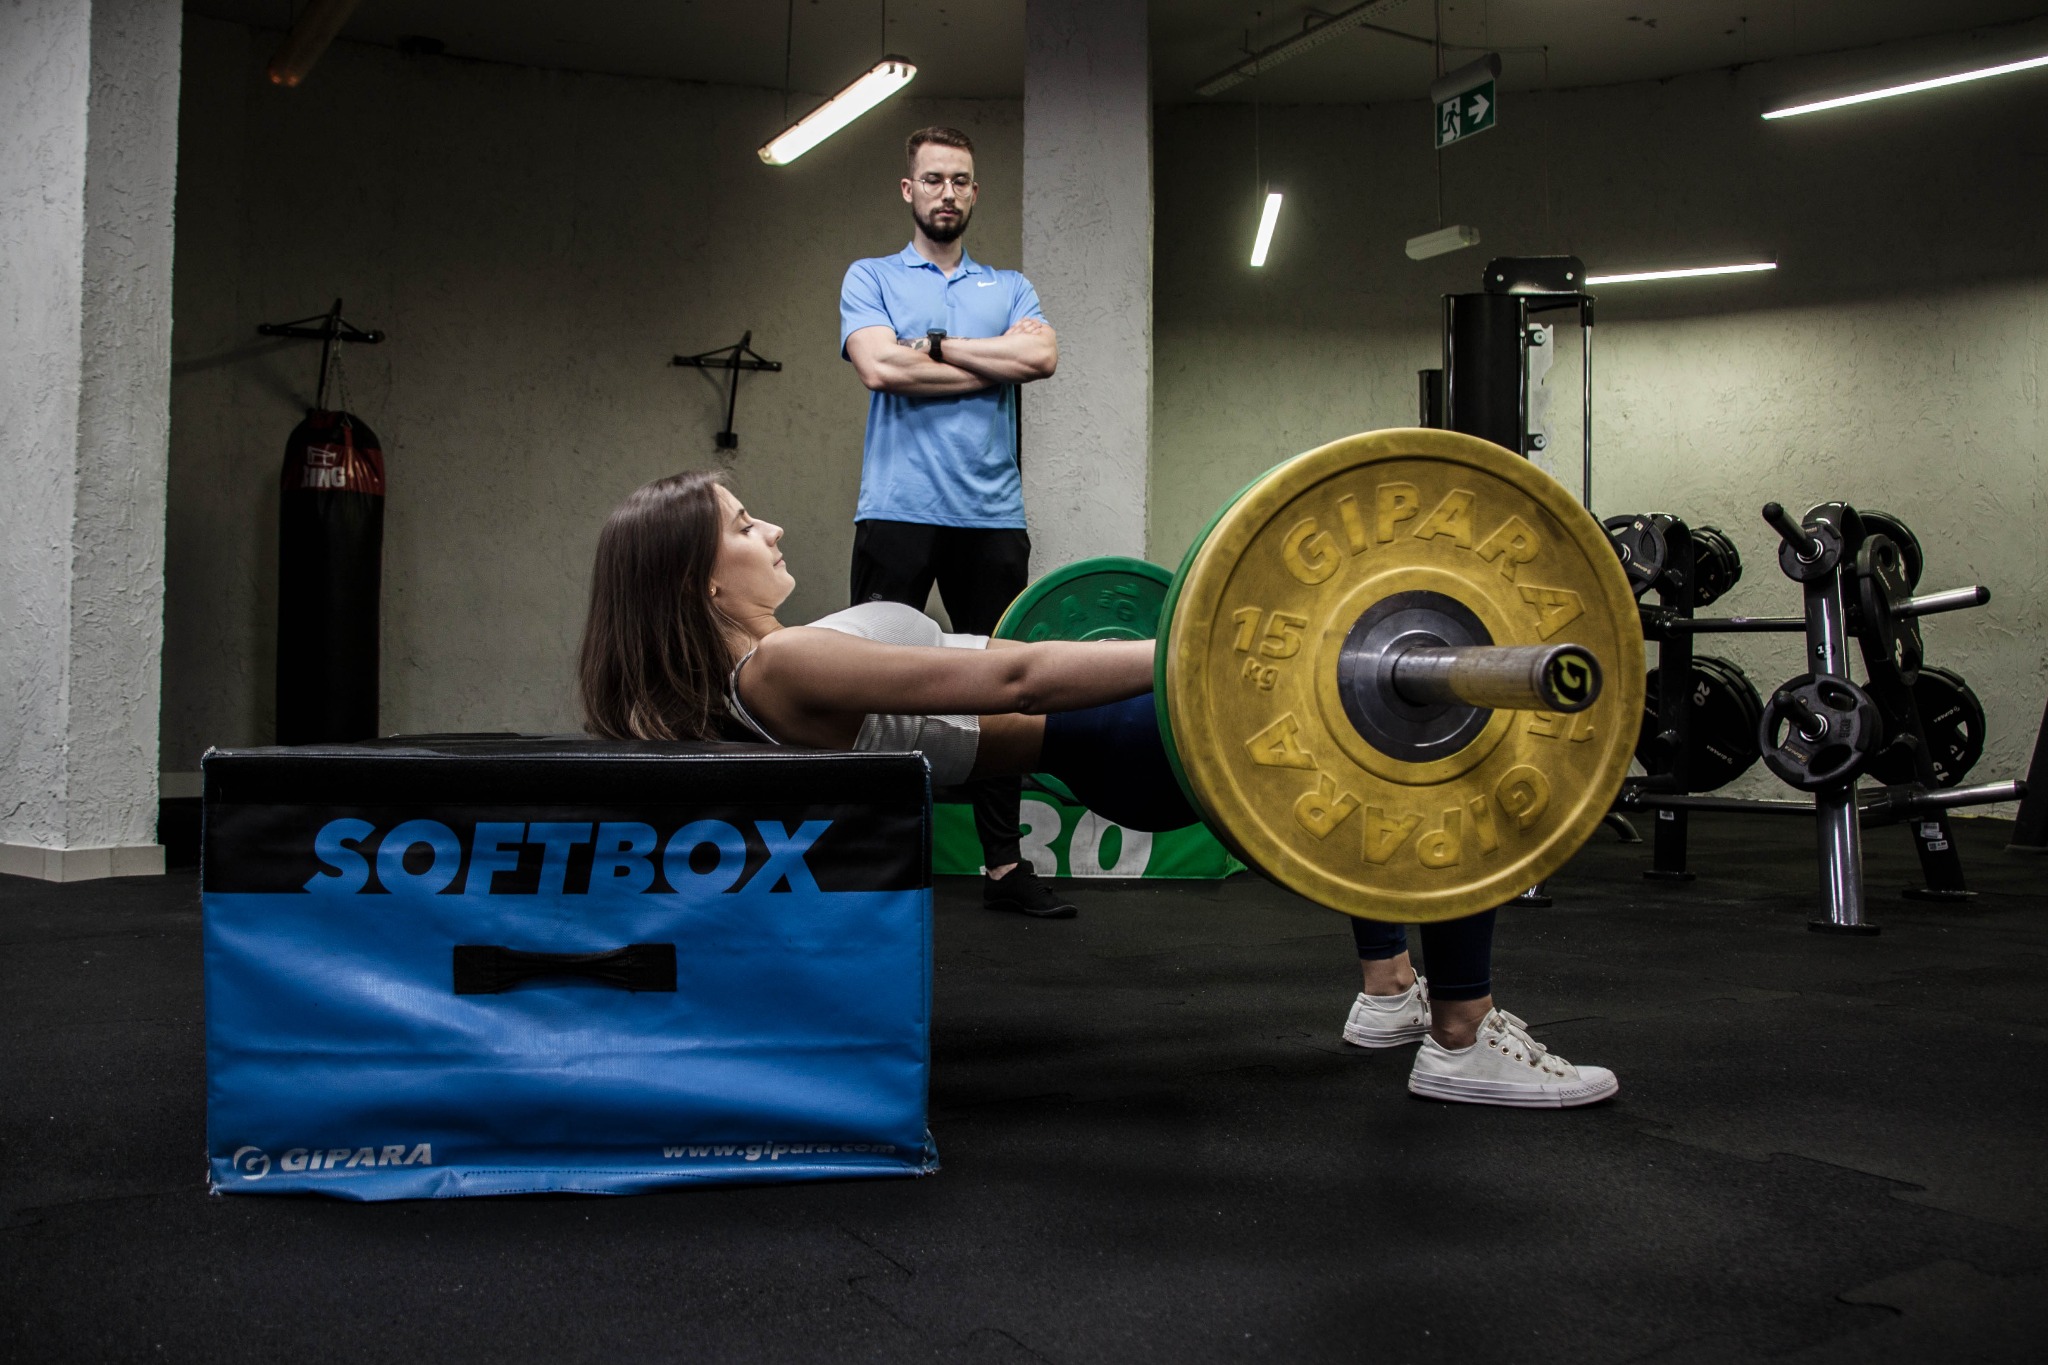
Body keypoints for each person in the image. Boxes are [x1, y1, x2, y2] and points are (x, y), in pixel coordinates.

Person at [576, 470, 1619, 1109]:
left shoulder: (766, 669)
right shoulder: (781, 667)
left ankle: (1389, 994)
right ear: (700, 580)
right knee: (1430, 772)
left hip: (1102, 738)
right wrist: (1198, 651)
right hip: (1118, 736)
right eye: (743, 524)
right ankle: (1461, 1034)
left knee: (1362, 762)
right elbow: (1016, 677)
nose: (770, 531)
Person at [838, 125, 1069, 919]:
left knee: (1003, 693)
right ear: (909, 190)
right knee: (873, 689)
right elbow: (879, 366)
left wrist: (933, 347)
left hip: (991, 516)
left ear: (975, 192)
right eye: (933, 179)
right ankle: (870, 862)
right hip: (895, 510)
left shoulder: (1010, 286)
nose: (947, 192)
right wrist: (987, 359)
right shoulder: (870, 275)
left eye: (961, 180)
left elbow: (1040, 360)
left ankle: (1004, 866)